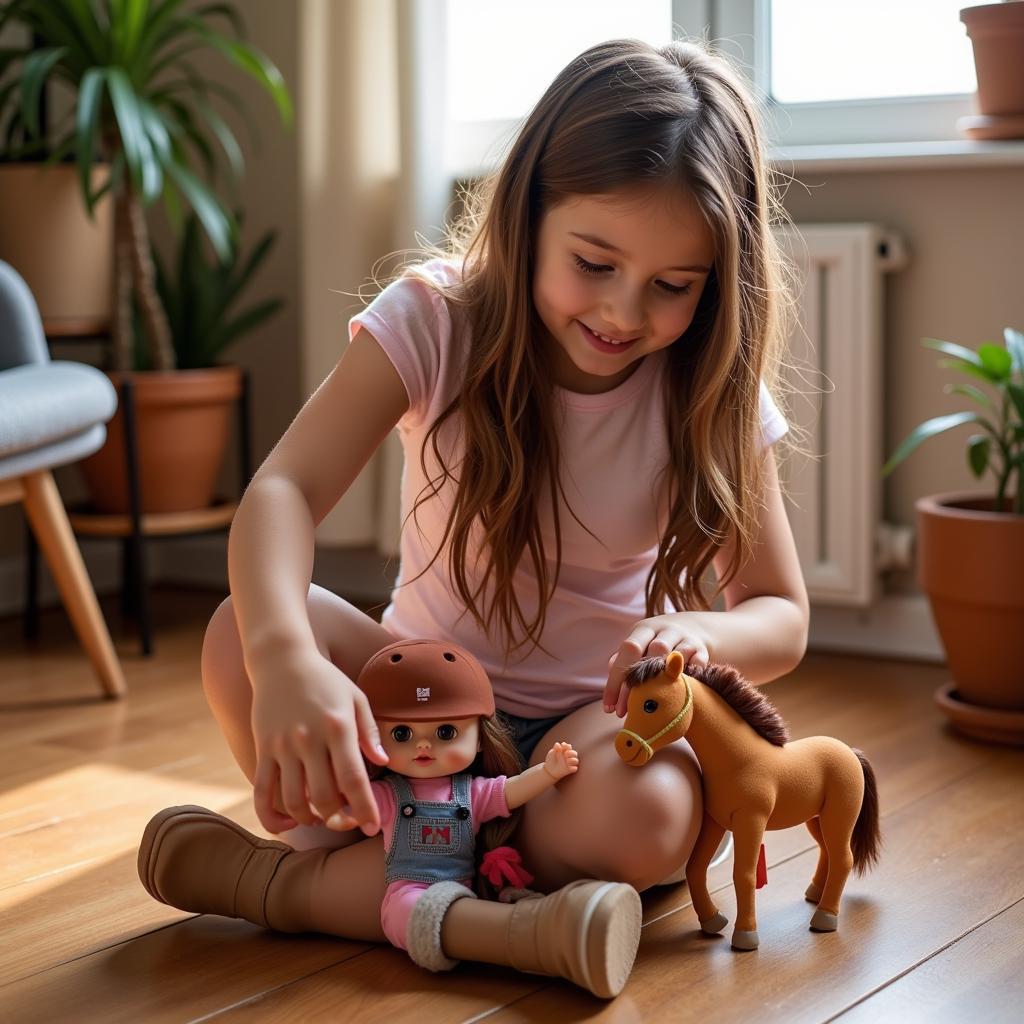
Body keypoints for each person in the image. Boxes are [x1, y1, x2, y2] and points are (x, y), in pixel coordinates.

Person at [138, 35, 808, 997]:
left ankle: (304, 886)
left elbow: (780, 611)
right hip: (417, 715)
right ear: (529, 212)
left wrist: (699, 629)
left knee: (653, 820)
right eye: (593, 262)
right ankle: (506, 910)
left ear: (717, 279)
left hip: (588, 730)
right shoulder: (434, 319)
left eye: (673, 286)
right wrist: (284, 660)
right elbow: (281, 491)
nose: (624, 312)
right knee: (235, 633)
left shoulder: (710, 387)